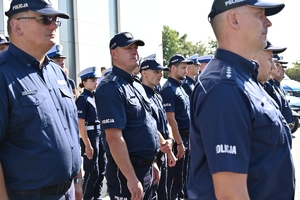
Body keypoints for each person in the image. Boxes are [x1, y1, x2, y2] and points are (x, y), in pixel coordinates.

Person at [188, 0, 294, 199]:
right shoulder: (224, 87)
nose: (268, 22)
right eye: (259, 14)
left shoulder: (243, 78)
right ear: (234, 19)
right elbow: (230, 193)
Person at [0, 0, 83, 200]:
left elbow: (70, 130)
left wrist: (78, 182)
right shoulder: (3, 74)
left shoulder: (57, 72)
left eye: (55, 20)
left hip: (68, 191)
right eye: (45, 19)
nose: (53, 25)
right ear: (16, 26)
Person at [95, 32, 160, 200]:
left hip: (144, 169)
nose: (135, 52)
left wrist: (151, 162)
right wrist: (131, 178)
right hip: (127, 173)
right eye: (128, 48)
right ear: (114, 54)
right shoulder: (110, 87)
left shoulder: (136, 85)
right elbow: (114, 138)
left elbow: (145, 125)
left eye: (136, 48)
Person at [140, 58, 177, 199]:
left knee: (164, 194)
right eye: (156, 71)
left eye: (161, 72)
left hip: (163, 152)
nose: (160, 75)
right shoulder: (141, 95)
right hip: (151, 156)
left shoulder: (157, 94)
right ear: (144, 73)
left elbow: (166, 121)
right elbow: (150, 125)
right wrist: (166, 147)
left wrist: (171, 139)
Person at [160, 54, 192, 200]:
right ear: (173, 68)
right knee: (175, 181)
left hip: (186, 137)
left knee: (184, 178)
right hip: (179, 139)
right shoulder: (169, 89)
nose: (186, 71)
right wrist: (179, 143)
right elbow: (170, 119)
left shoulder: (179, 87)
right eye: (183, 68)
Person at [76, 67, 107, 200]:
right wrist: (87, 145)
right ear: (84, 81)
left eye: (96, 79)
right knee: (92, 171)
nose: (96, 82)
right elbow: (80, 123)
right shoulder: (82, 99)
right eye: (92, 80)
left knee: (101, 169)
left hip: (99, 133)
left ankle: (97, 196)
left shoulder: (95, 96)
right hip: (90, 135)